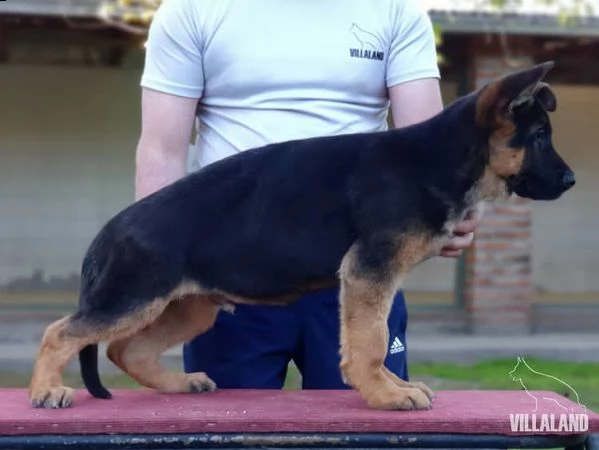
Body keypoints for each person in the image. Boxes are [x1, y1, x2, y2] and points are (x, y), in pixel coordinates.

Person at [135, 0, 480, 390]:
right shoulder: (191, 10)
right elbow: (162, 150)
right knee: (229, 429)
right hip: (231, 270)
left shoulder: (396, 11)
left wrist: (449, 210)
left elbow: (427, 148)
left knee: (364, 432)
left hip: (356, 266)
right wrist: (159, 266)